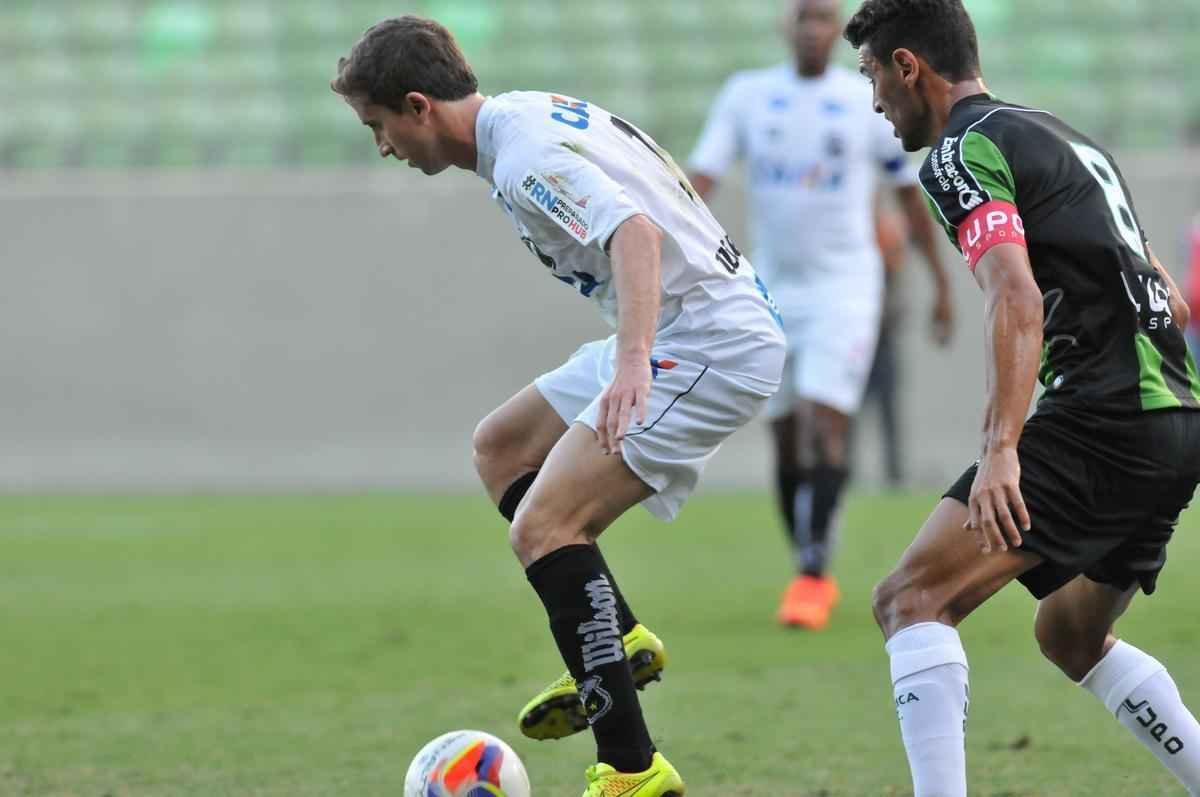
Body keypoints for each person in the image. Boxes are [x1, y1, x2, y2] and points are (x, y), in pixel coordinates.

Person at [331, 16, 786, 796]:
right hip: (683, 320)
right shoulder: (522, 115)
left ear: (418, 106)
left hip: (706, 338)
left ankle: (633, 771)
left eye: (378, 127)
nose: (383, 147)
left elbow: (634, 234)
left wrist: (635, 361)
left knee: (545, 526)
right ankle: (619, 633)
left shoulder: (523, 158)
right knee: (500, 447)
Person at [845, 1, 1200, 794]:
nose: (873, 101)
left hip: (1105, 416)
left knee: (910, 598)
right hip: (1179, 417)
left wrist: (1001, 445)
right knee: (1070, 635)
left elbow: (1015, 296)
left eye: (872, 75)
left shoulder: (961, 152)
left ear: (909, 67)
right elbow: (1169, 299)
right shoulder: (1061, 134)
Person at [687, 0, 954, 630]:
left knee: (823, 422)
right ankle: (806, 557)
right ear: (787, 27)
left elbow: (907, 196)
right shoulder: (748, 96)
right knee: (783, 437)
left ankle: (812, 572)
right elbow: (700, 179)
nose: (812, 29)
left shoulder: (861, 100)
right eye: (802, 18)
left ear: (837, 31)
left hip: (845, 285)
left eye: (822, 19)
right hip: (770, 286)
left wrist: (940, 283)